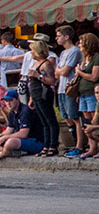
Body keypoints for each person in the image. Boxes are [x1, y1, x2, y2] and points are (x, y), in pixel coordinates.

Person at [0, 90, 44, 159]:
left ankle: (2, 154)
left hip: (35, 141)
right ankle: (12, 152)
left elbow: (23, 134)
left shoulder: (25, 111)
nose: (8, 103)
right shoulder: (12, 112)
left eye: (10, 100)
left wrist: (5, 137)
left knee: (11, 142)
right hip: (21, 141)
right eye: (6, 101)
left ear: (17, 99)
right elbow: (9, 129)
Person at [26, 40, 59, 157]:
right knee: (43, 121)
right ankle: (46, 145)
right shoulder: (35, 63)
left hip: (44, 94)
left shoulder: (46, 64)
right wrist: (31, 98)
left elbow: (52, 81)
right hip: (35, 94)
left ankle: (53, 145)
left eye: (32, 51)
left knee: (50, 120)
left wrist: (38, 75)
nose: (31, 53)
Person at [55, 26, 84, 157]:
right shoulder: (62, 53)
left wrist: (60, 71)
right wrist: (60, 71)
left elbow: (65, 71)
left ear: (66, 37)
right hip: (61, 87)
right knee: (66, 116)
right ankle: (74, 141)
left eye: (59, 36)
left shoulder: (74, 51)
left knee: (74, 116)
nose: (57, 38)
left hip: (70, 87)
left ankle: (80, 144)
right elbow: (57, 73)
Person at [74, 33, 99, 159]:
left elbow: (94, 76)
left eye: (81, 43)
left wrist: (80, 72)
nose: (79, 45)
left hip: (91, 92)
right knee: (86, 121)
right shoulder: (84, 59)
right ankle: (92, 147)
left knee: (95, 119)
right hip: (82, 93)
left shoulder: (96, 58)